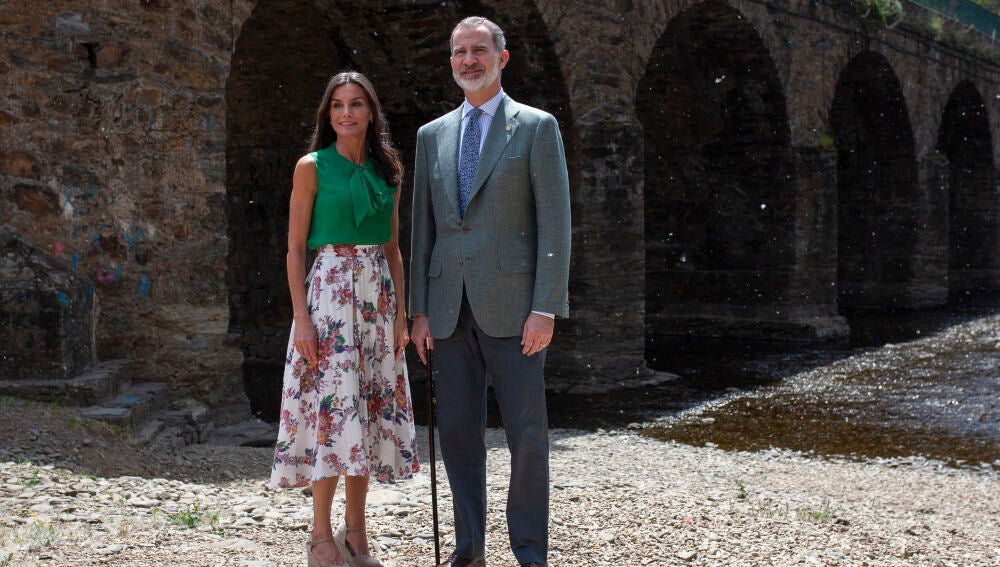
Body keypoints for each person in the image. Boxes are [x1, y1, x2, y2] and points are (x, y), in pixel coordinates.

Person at [409, 16, 571, 567]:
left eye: (480, 50)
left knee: (527, 437)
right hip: (448, 311)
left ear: (503, 58)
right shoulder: (431, 136)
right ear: (451, 61)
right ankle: (469, 552)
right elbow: (423, 230)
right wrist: (419, 311)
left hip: (516, 310)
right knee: (457, 435)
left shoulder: (535, 127)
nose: (469, 60)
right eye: (459, 52)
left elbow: (555, 223)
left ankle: (530, 553)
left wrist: (545, 306)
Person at [270, 71, 419, 567]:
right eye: (337, 105)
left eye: (356, 104)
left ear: (371, 112)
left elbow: (395, 251)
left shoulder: (388, 171)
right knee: (331, 414)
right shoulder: (311, 167)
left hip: (377, 302)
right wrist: (301, 318)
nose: (346, 113)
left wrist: (402, 315)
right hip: (328, 299)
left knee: (367, 416)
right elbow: (293, 248)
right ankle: (319, 538)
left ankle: (357, 534)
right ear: (327, 113)